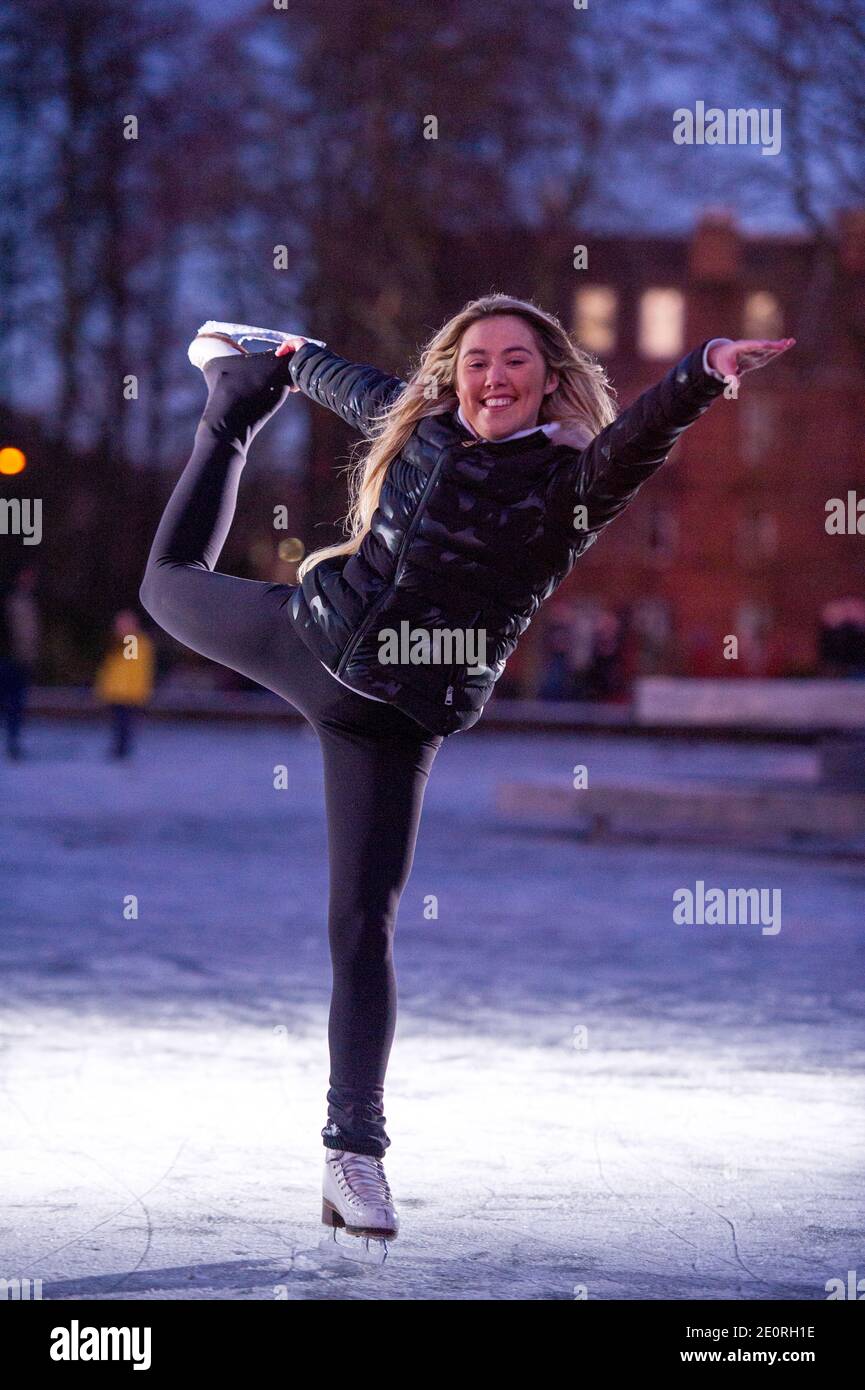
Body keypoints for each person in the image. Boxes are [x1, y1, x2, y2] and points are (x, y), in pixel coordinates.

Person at [139, 299, 795, 1242]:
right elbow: (358, 388)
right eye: (476, 360)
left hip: (395, 722)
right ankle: (233, 409)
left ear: (549, 377)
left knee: (362, 923)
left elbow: (645, 435)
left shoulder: (570, 482)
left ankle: (352, 1157)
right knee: (163, 585)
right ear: (456, 374)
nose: (492, 376)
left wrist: (704, 367)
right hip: (309, 642)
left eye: (514, 361)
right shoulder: (422, 426)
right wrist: (290, 360)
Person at [92, 609, 155, 758]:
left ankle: (121, 751)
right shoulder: (125, 641)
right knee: (119, 724)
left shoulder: (131, 641)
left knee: (123, 725)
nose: (119, 626)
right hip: (119, 692)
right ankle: (120, 749)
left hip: (126, 693)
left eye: (123, 624)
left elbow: (128, 667)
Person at [0, 565, 41, 759]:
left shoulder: (29, 600)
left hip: (21, 661)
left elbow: (30, 634)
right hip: (8, 659)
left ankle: (13, 743)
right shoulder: (10, 599)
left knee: (16, 705)